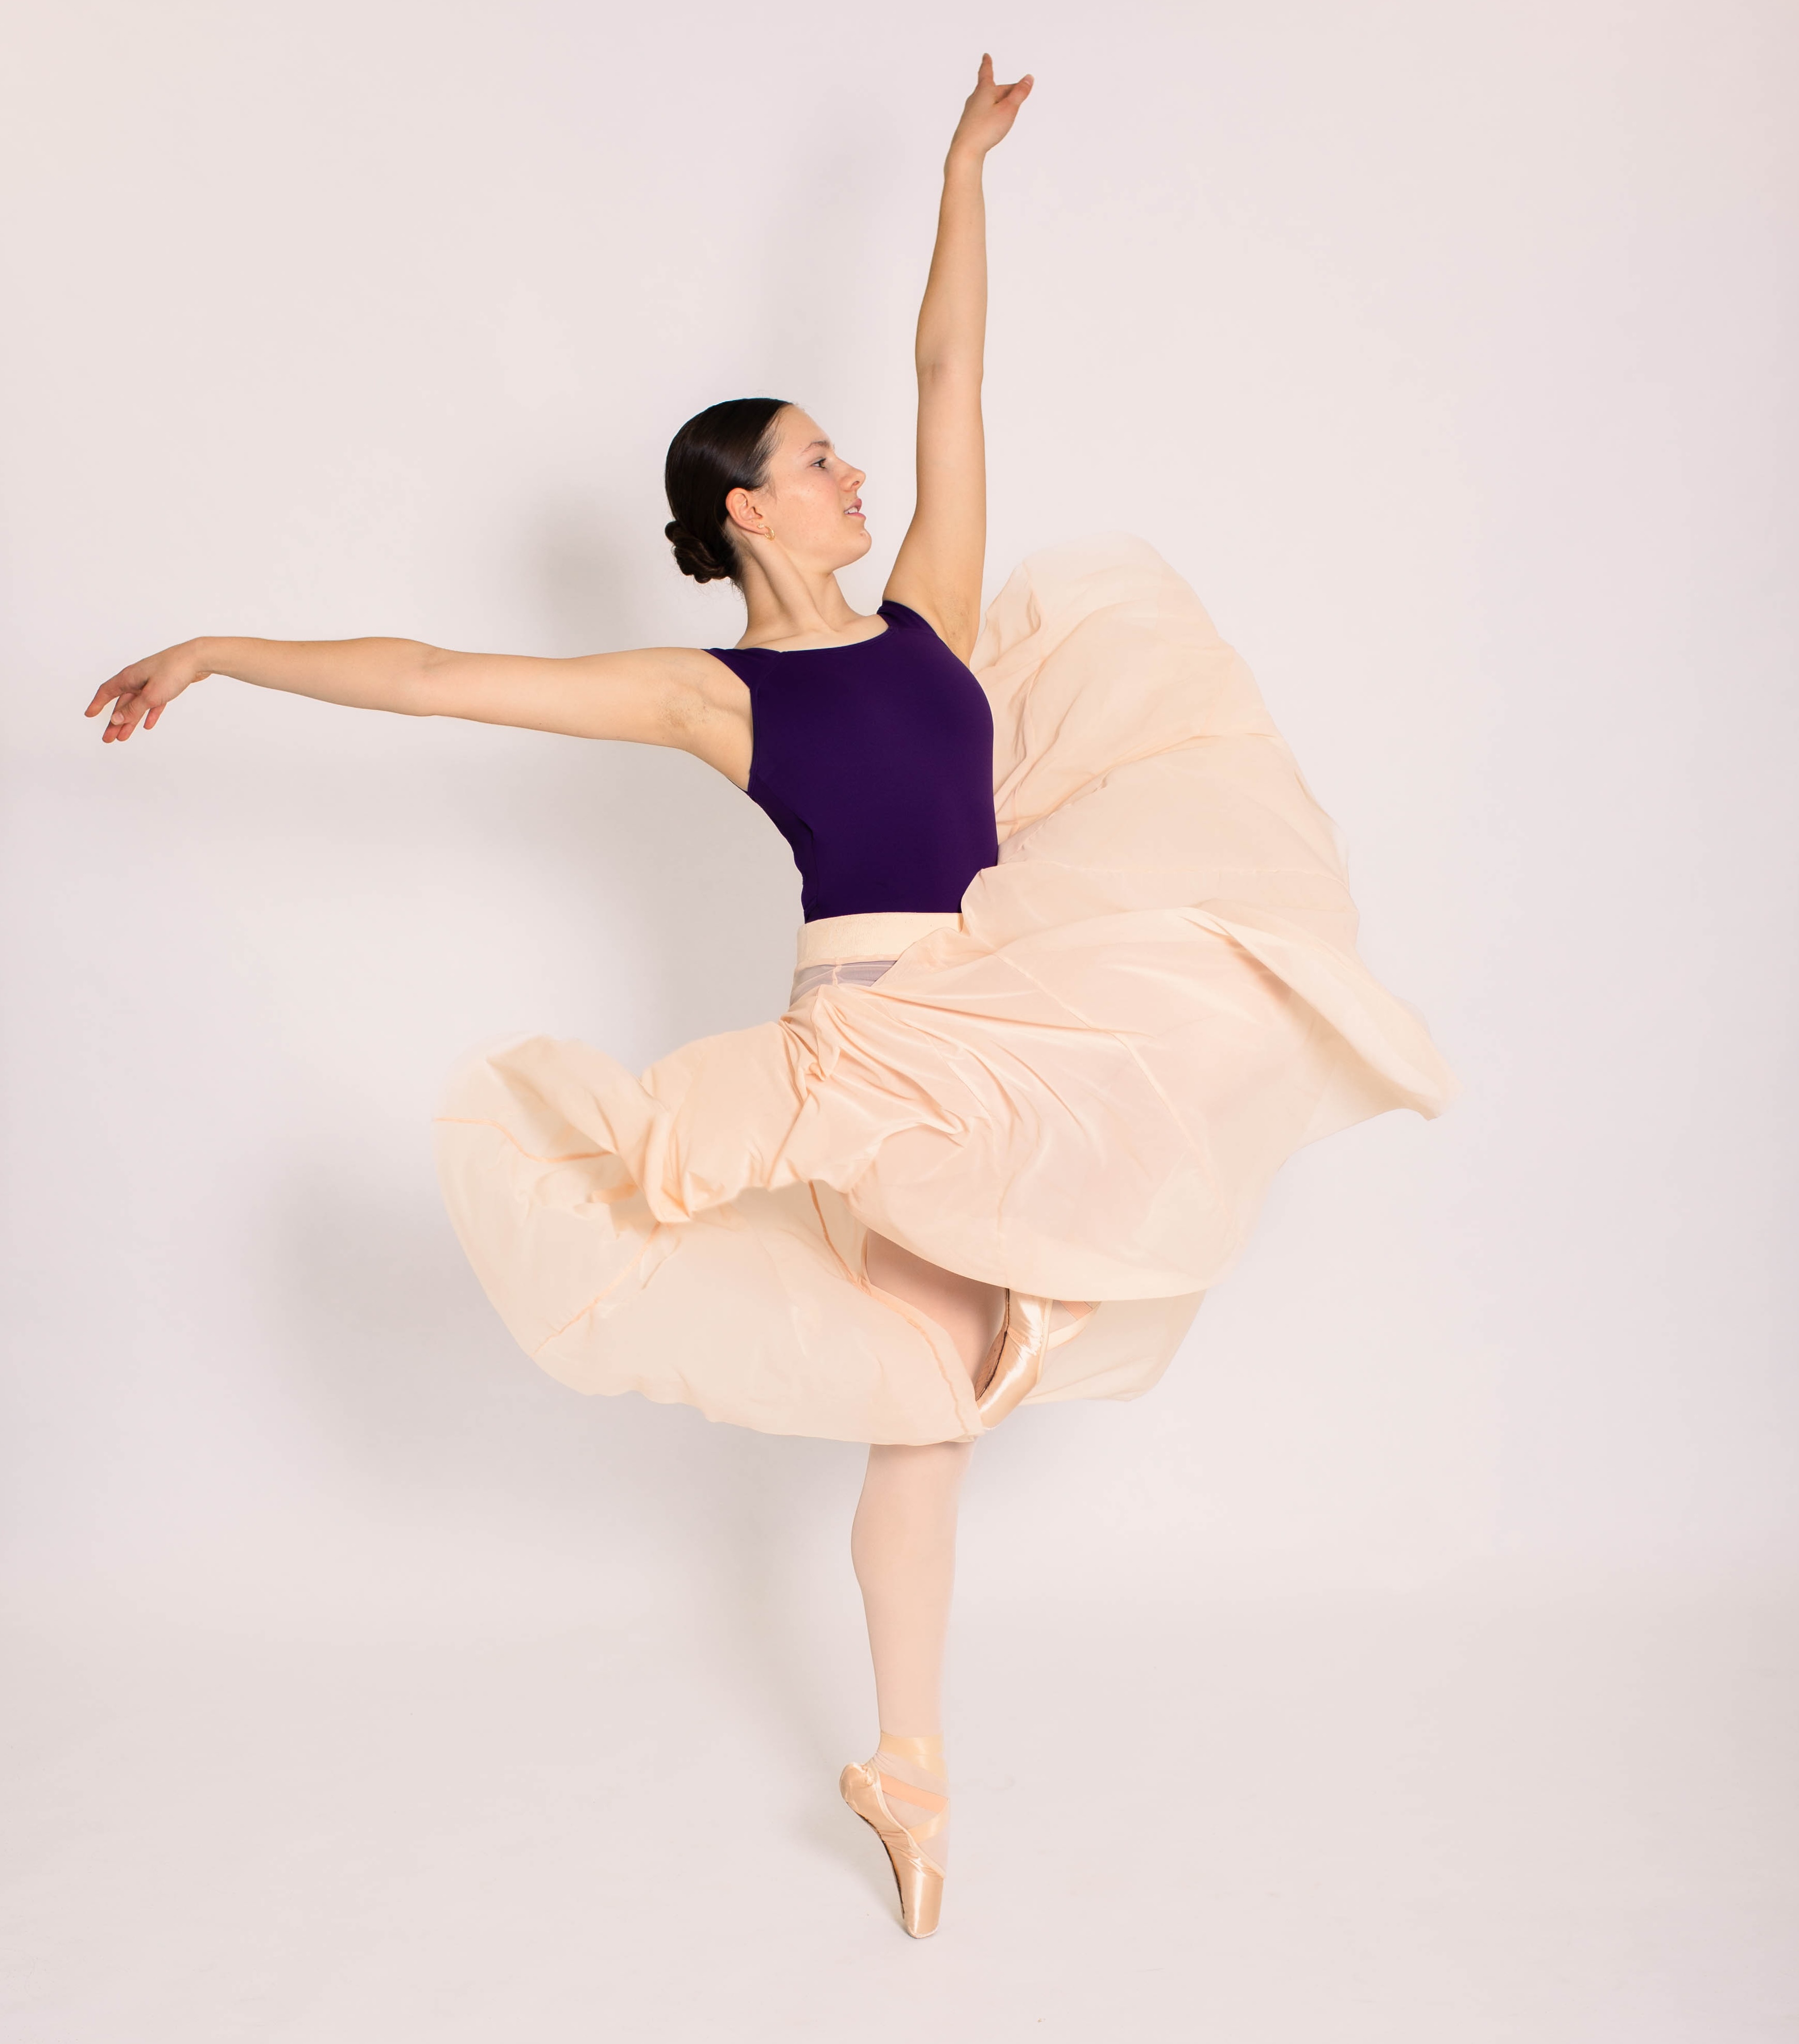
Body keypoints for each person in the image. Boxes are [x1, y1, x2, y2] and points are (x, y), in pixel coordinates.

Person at [84, 56, 1455, 1940]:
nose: (854, 478)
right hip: (874, 1033)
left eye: (840, 458)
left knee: (969, 1352)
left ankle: (901, 1769)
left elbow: (952, 376)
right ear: (746, 511)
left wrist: (963, 175)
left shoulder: (929, 616)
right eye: (816, 463)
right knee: (923, 1398)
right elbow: (431, 676)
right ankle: (915, 1764)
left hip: (1006, 998)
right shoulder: (712, 695)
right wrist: (221, 650)